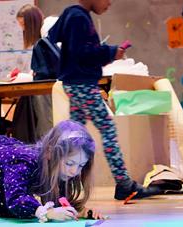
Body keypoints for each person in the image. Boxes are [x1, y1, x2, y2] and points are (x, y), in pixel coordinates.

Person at [47, 0, 161, 200]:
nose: (109, 3)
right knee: (107, 129)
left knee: (76, 136)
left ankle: (59, 183)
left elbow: (53, 35)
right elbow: (82, 54)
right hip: (83, 84)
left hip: (75, 84)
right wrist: (110, 52)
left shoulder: (71, 14)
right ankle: (124, 184)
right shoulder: (79, 18)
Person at [0, 120, 105, 221]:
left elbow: (56, 196)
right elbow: (16, 199)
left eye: (81, 165)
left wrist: (79, 210)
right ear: (50, 153)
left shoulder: (55, 163)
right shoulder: (24, 162)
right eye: (70, 164)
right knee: (5, 211)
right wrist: (47, 212)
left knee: (27, 207)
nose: (75, 170)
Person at [12, 4, 54, 143]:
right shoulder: (42, 39)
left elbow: (47, 71)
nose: (23, 29)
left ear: (32, 22)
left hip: (47, 88)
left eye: (24, 25)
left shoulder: (45, 36)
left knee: (46, 126)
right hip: (47, 87)